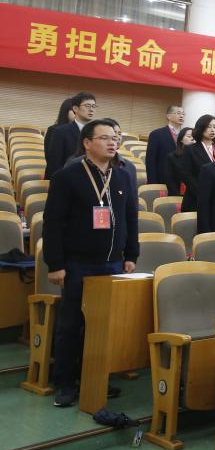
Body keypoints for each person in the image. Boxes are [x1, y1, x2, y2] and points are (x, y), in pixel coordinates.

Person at [43, 119, 138, 407]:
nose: (113, 142)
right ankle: (65, 382)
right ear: (87, 142)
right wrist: (55, 264)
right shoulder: (67, 176)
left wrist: (131, 255)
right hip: (78, 263)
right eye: (105, 138)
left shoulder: (123, 177)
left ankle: (94, 377)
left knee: (102, 326)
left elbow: (130, 218)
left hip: (112, 264)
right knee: (72, 324)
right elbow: (53, 223)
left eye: (115, 138)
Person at [64, 119, 137, 190]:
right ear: (87, 142)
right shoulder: (74, 164)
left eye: (118, 135)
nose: (117, 138)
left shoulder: (129, 167)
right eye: (105, 137)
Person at [44, 91, 96, 178]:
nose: (91, 109)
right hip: (67, 180)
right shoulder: (60, 132)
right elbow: (54, 165)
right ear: (75, 109)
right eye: (87, 106)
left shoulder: (97, 133)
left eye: (94, 106)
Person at [182, 114, 215, 212]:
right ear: (201, 128)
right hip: (196, 198)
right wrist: (203, 193)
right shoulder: (190, 149)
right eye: (209, 127)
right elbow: (186, 175)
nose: (213, 130)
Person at [145, 105, 184, 190]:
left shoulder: (187, 136)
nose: (181, 116)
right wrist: (153, 183)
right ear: (168, 116)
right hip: (162, 180)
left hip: (181, 182)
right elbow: (150, 161)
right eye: (178, 113)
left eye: (183, 114)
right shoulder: (156, 134)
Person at [164, 127, 193, 197]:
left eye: (194, 137)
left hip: (194, 194)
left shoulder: (198, 156)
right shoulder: (172, 157)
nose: (192, 138)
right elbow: (169, 178)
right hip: (177, 193)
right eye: (189, 136)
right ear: (181, 139)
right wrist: (177, 194)